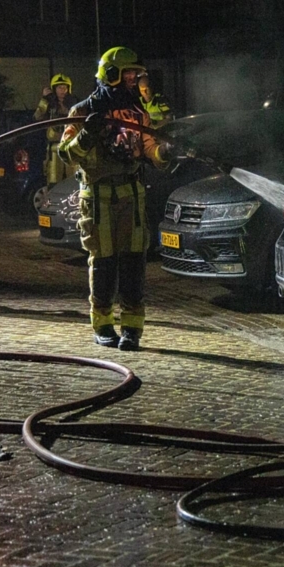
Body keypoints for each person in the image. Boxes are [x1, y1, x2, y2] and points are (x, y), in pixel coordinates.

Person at [58, 47, 176, 351]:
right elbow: (65, 154)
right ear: (111, 75)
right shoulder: (83, 111)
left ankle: (133, 328)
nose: (134, 80)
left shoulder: (138, 112)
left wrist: (166, 153)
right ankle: (103, 324)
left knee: (134, 262)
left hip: (132, 196)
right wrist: (87, 135)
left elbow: (150, 149)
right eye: (129, 74)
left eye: (136, 75)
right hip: (97, 198)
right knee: (104, 263)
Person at [34, 73, 79, 186]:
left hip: (71, 146)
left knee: (73, 181)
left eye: (65, 87)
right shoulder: (49, 104)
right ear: (54, 89)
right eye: (59, 87)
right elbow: (37, 117)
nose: (62, 90)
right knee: (53, 181)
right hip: (54, 148)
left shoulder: (75, 103)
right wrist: (44, 99)